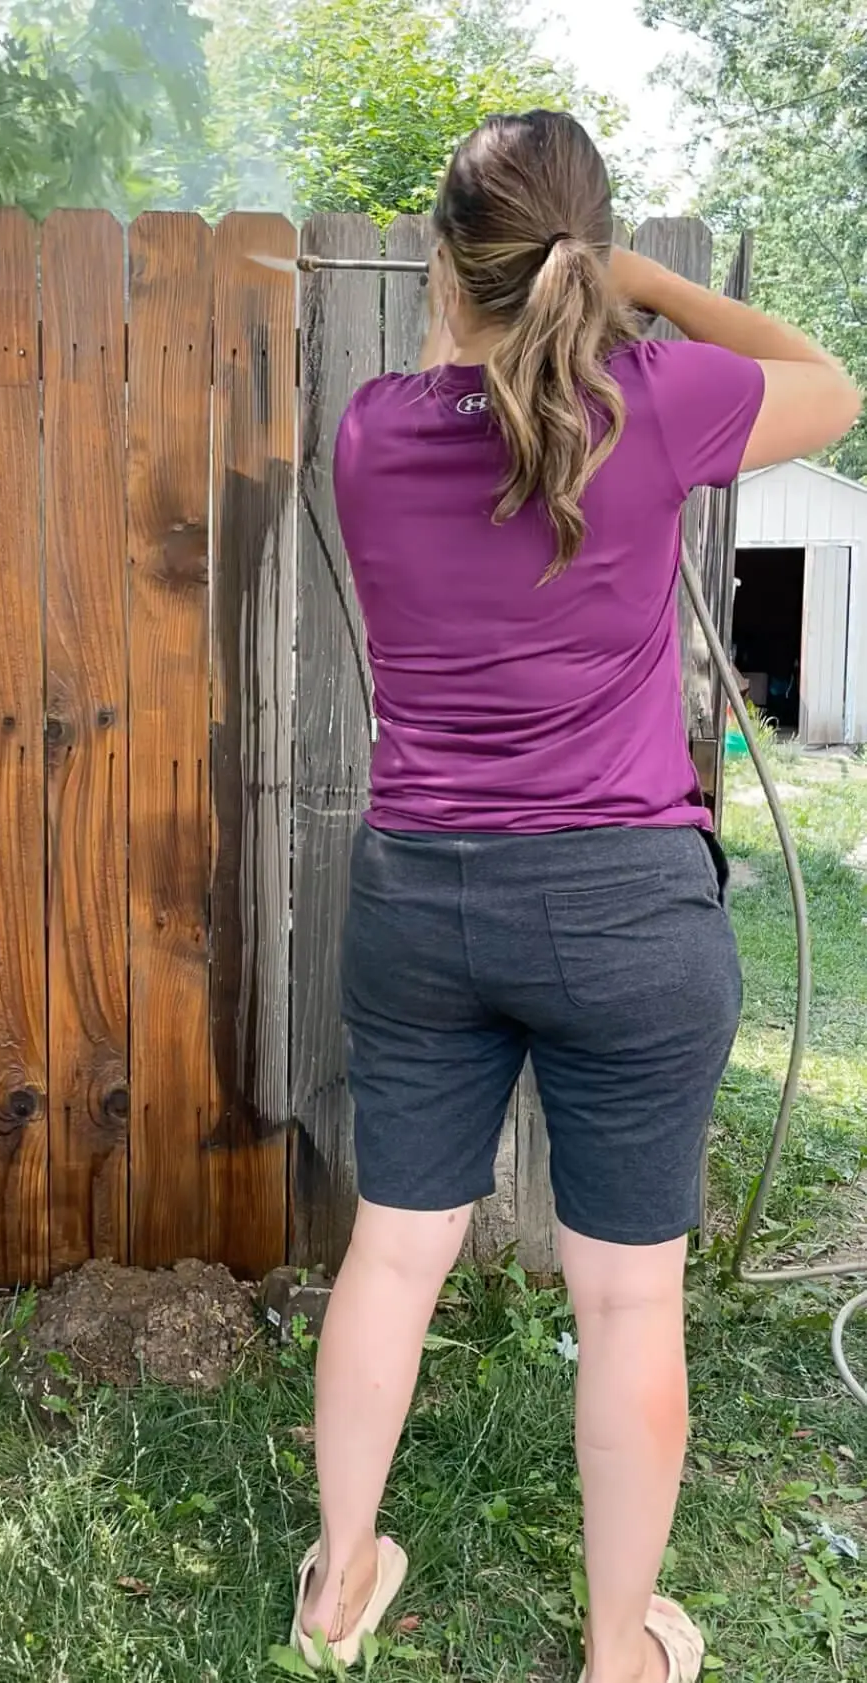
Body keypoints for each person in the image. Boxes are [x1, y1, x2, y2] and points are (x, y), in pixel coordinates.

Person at [289, 110, 860, 1683]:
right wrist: (650, 292)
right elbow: (834, 381)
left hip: (420, 901)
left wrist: (542, 296)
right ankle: (621, 1647)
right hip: (622, 910)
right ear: (580, 259)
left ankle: (339, 1588)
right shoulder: (651, 401)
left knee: (393, 1256)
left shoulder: (366, 432)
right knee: (624, 1302)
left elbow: (480, 395)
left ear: (438, 260)